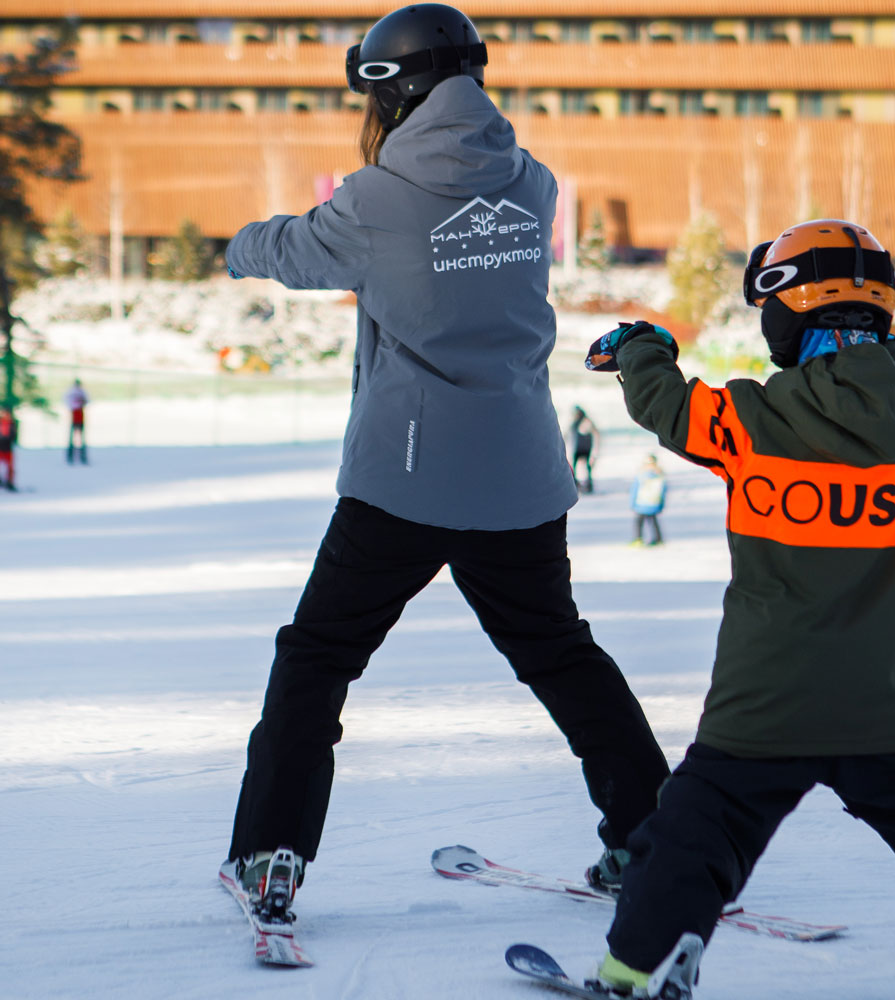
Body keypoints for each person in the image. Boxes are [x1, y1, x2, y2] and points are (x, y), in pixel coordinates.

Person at [217, 3, 670, 923]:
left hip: (407, 481)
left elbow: (296, 250)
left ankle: (271, 855)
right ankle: (654, 840)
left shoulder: (375, 199)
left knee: (317, 659)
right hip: (519, 473)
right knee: (560, 654)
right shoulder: (530, 181)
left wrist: (238, 245)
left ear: (392, 91)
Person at [577, 220, 895, 1000]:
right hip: (885, 704)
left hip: (765, 702)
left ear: (790, 313)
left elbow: (667, 405)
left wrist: (641, 347)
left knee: (695, 835)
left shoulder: (748, 420)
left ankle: (643, 963)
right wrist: (872, 343)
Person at [628, 454, 666, 546]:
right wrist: (661, 505)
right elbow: (663, 492)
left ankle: (638, 538)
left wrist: (632, 504)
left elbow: (634, 491)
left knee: (639, 523)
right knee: (653, 522)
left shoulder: (640, 476)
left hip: (641, 504)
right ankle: (658, 538)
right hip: (654, 503)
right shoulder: (660, 477)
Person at [566, 405, 599, 493]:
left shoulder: (585, 422)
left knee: (586, 468)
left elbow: (595, 433)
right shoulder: (575, 423)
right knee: (578, 467)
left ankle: (586, 484)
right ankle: (578, 484)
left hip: (583, 449)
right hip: (579, 448)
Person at [63, 379, 89, 464]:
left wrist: (82, 403)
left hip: (80, 417)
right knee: (72, 438)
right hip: (74, 417)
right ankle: (70, 457)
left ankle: (82, 457)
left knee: (81, 438)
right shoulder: (71, 392)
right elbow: (67, 402)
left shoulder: (82, 392)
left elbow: (87, 401)